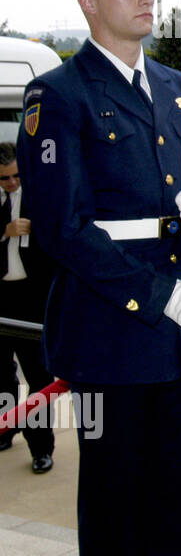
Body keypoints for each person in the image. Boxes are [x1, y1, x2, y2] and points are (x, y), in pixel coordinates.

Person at [19, 0, 181, 556]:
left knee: (173, 511)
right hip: (112, 336)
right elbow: (62, 228)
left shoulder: (174, 86)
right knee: (115, 515)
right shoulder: (59, 95)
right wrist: (163, 296)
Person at [0, 142, 56, 472]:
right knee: (1, 374)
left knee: (38, 375)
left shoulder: (37, 199)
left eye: (17, 176)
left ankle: (41, 446)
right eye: (5, 178)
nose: (12, 183)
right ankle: (6, 427)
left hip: (31, 298)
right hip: (1, 294)